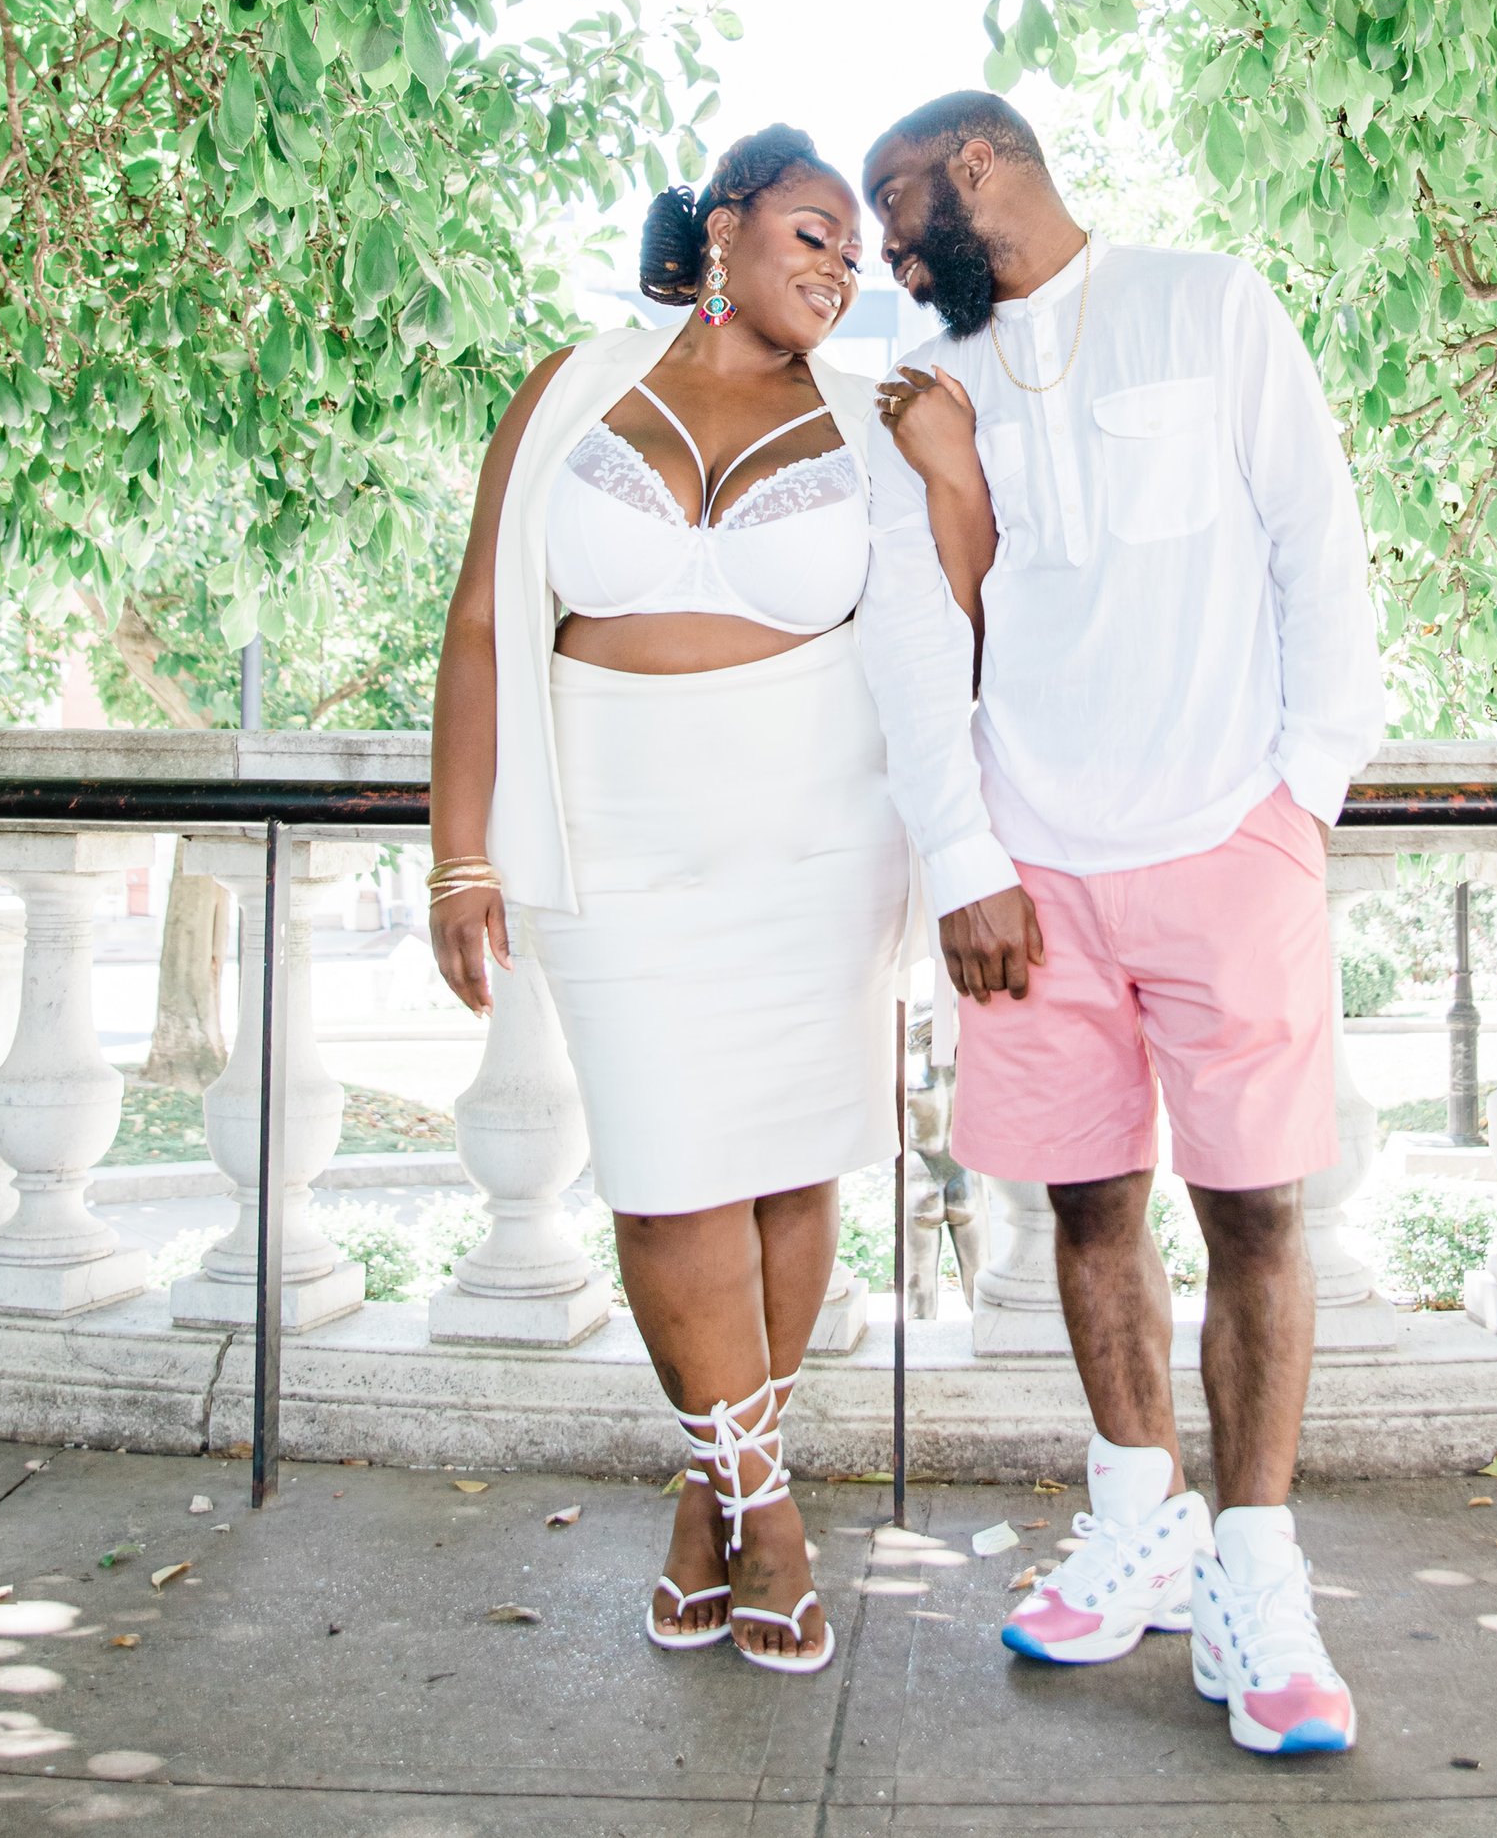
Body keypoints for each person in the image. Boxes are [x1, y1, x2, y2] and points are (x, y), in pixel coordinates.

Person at [426, 124, 1013, 1674]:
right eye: (811, 230)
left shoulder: (868, 418)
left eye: (852, 250)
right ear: (728, 220)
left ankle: (714, 1497)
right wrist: (461, 847)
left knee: (785, 1171)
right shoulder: (568, 388)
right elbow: (487, 613)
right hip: (612, 830)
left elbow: (957, 600)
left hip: (817, 837)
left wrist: (953, 465)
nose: (838, 264)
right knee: (667, 1178)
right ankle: (777, 1517)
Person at [860, 92, 1386, 1759]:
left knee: (1253, 1210)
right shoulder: (926, 384)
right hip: (1033, 871)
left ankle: (1258, 1572)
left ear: (981, 164)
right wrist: (961, 854)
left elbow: (1321, 548)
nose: (886, 247)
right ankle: (1137, 1518)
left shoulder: (1207, 304)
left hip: (1228, 837)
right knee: (1088, 1206)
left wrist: (1300, 793)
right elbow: (923, 633)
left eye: (897, 205)